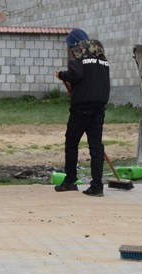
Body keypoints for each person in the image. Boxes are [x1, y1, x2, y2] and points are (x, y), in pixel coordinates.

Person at [54, 28, 110, 197]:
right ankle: (97, 186)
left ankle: (70, 181)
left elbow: (76, 74)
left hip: (82, 105)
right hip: (99, 105)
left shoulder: (77, 52)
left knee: (71, 142)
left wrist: (62, 75)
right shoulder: (101, 55)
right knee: (96, 146)